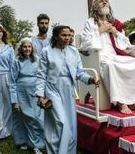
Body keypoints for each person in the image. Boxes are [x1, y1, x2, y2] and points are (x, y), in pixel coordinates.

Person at [80, 0, 135, 114]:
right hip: (99, 55)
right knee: (110, 66)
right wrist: (100, 30)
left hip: (114, 54)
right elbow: (86, 43)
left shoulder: (114, 23)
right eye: (101, 1)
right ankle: (120, 103)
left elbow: (125, 43)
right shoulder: (90, 22)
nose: (104, 3)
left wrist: (115, 32)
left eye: (106, 1)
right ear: (95, 7)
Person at [36, 25, 100, 154]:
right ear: (56, 36)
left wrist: (90, 79)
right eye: (64, 35)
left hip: (69, 88)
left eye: (69, 35)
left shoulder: (73, 51)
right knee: (61, 121)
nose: (67, 38)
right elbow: (41, 75)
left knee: (70, 124)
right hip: (52, 88)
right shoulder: (46, 52)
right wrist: (40, 95)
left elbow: (79, 73)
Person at [10, 38, 45, 154]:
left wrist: (42, 93)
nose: (27, 49)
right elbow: (12, 81)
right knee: (25, 117)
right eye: (25, 47)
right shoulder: (16, 62)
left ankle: (36, 142)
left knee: (36, 118)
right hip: (21, 93)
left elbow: (41, 77)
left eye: (29, 47)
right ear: (21, 48)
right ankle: (28, 143)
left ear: (32, 48)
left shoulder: (37, 60)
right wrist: (15, 100)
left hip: (35, 92)